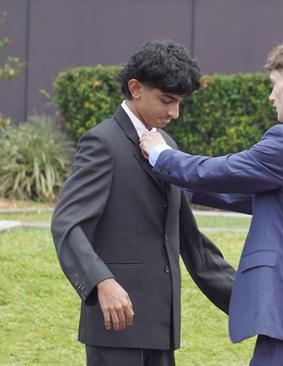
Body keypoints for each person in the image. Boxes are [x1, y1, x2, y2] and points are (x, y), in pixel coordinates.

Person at [140, 36, 283, 366]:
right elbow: (262, 198)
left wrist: (161, 155)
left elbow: (218, 171)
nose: (272, 95)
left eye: (274, 85)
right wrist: (181, 188)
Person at [51, 40, 235, 366]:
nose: (174, 113)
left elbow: (190, 240)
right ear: (136, 88)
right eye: (167, 101)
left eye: (179, 103)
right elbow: (67, 223)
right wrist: (101, 282)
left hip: (161, 329)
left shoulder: (168, 146)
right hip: (115, 326)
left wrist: (247, 300)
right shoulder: (101, 142)